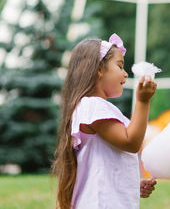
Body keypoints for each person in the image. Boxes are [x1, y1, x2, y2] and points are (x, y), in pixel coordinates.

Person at [52, 34, 158, 209]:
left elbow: (103, 164)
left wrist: (131, 185)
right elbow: (130, 142)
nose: (125, 73)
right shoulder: (93, 106)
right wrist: (143, 101)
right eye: (120, 66)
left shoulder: (93, 107)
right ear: (99, 69)